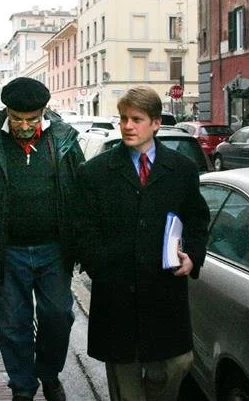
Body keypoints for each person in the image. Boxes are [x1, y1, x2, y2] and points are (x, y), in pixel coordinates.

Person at [0, 77, 84, 401]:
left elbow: (83, 193)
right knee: (13, 324)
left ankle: (49, 373)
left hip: (54, 251)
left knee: (58, 315)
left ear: (44, 112)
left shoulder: (64, 139)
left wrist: (86, 245)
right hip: (6, 251)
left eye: (32, 119)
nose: (24, 126)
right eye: (17, 118)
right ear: (6, 111)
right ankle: (23, 387)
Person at [75, 86, 209, 401]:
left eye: (136, 119)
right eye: (123, 118)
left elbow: (197, 220)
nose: (127, 126)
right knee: (125, 381)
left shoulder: (182, 169)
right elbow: (82, 228)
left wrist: (192, 257)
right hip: (116, 293)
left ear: (156, 123)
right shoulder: (95, 172)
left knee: (178, 363)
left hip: (164, 290)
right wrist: (101, 268)